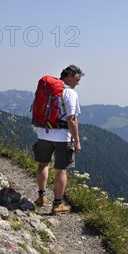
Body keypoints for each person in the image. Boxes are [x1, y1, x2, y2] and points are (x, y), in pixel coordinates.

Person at [33, 65, 83, 214]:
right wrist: (77, 141)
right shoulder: (70, 93)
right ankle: (57, 204)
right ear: (69, 76)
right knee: (61, 170)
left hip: (43, 133)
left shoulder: (48, 91)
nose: (78, 82)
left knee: (43, 164)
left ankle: (41, 196)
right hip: (62, 136)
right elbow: (71, 120)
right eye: (77, 78)